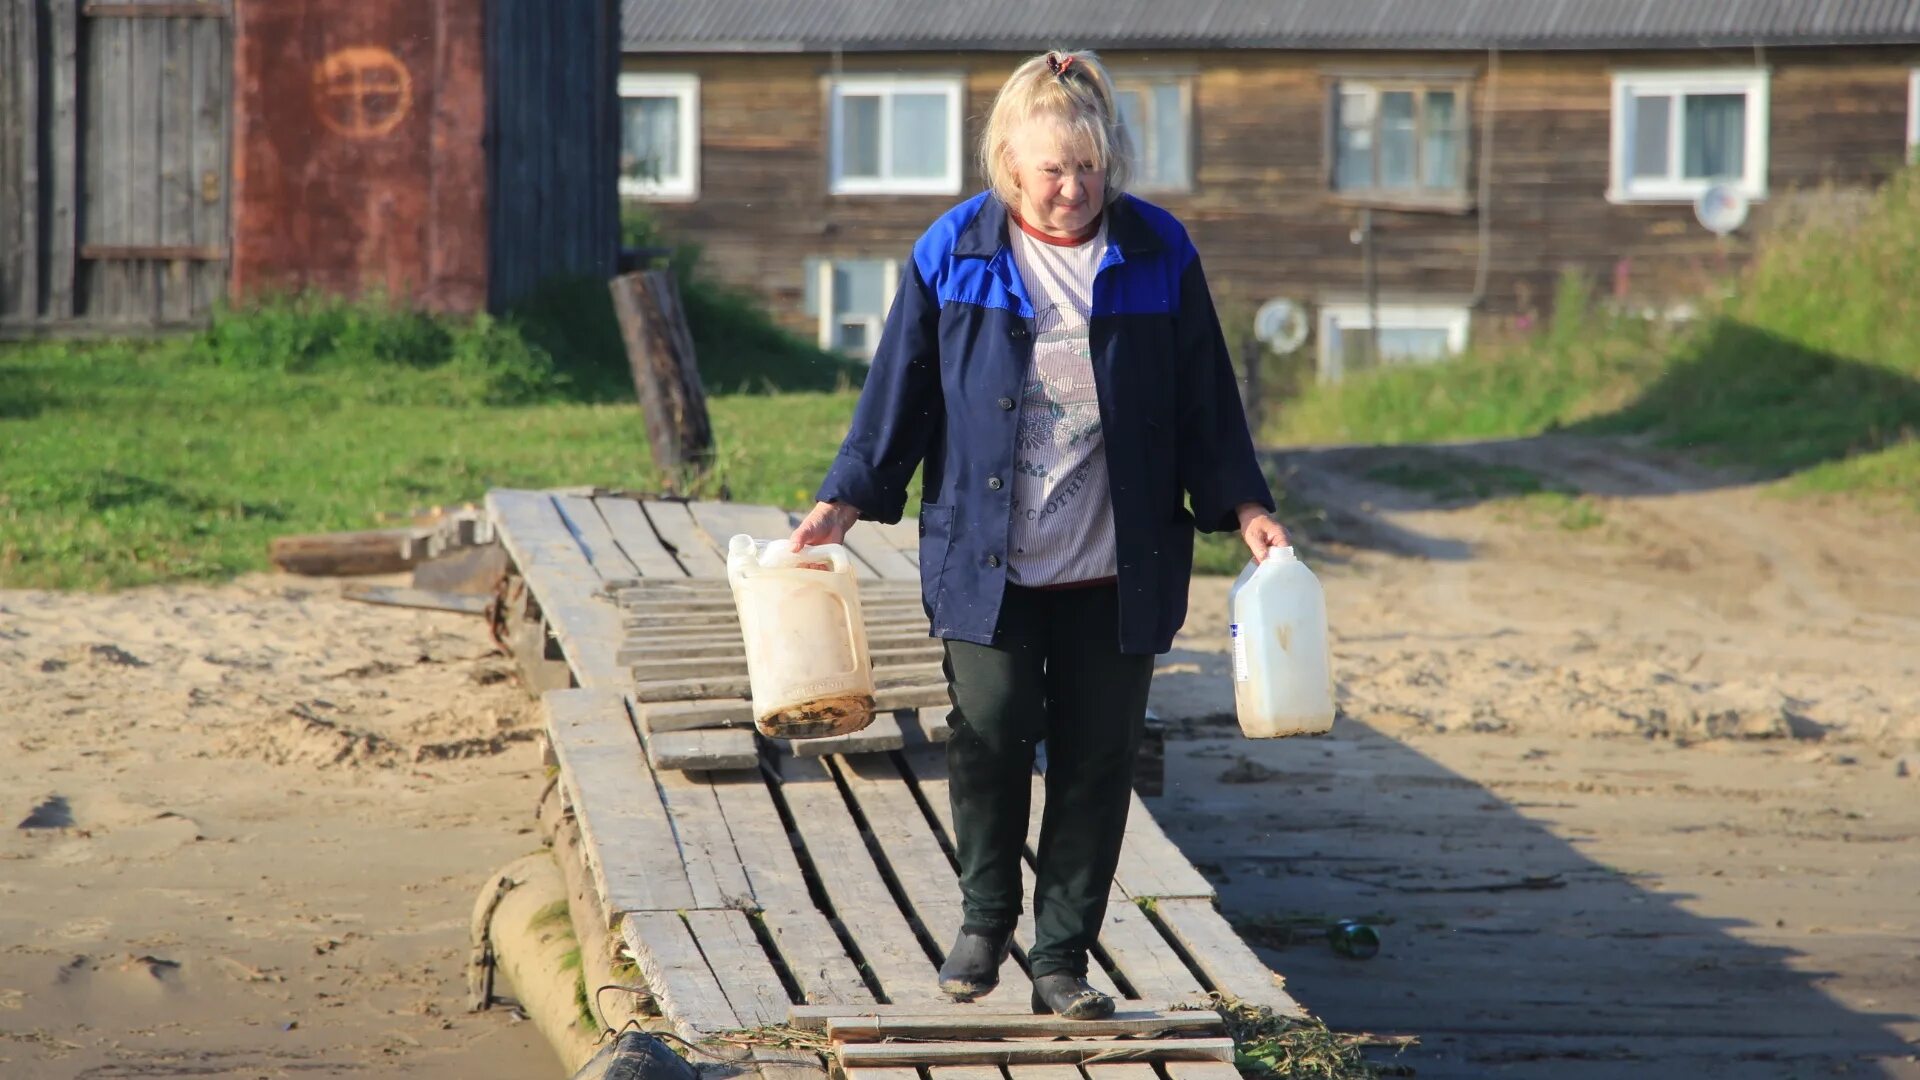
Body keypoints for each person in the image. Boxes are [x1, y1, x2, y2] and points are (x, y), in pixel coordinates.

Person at [789, 49, 1289, 1020]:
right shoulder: (954, 252)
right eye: (1052, 170)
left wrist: (1246, 506)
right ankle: (985, 918)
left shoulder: (1157, 254)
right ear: (1010, 166)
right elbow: (903, 389)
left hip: (1118, 563)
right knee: (991, 729)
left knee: (1100, 758)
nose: (1072, 190)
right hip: (990, 560)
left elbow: (1203, 402)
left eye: (1090, 170)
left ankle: (1061, 958)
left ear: (1113, 163)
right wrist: (844, 500)